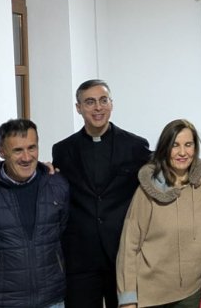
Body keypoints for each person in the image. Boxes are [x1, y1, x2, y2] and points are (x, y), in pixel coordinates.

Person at [51, 79, 151, 308]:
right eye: (90, 102)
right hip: (81, 257)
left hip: (124, 254)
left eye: (103, 100)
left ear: (111, 104)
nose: (98, 107)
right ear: (78, 108)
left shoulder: (135, 146)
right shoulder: (63, 150)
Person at [0, 119, 70, 308]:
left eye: (31, 148)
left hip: (51, 299)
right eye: (18, 150)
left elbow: (63, 235)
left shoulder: (58, 186)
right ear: (1, 152)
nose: (26, 157)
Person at [118, 119, 201, 308]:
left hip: (191, 293)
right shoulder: (147, 191)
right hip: (151, 296)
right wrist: (127, 300)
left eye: (188, 145)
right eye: (175, 145)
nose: (182, 152)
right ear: (164, 149)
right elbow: (129, 248)